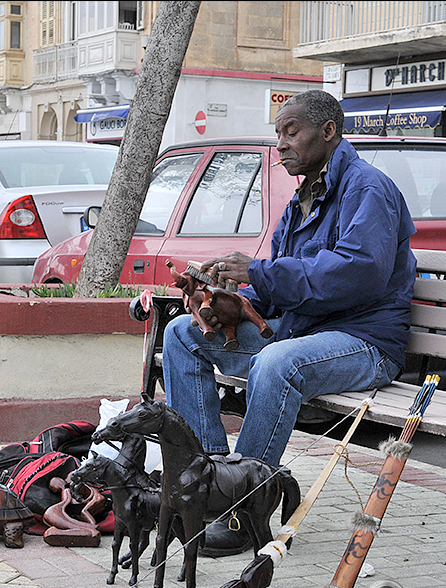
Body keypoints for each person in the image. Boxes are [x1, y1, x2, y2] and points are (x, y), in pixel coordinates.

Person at [161, 89, 417, 557]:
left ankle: (242, 507)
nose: (280, 143)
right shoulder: (304, 197)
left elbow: (358, 273)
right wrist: (234, 303)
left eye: (291, 131)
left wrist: (259, 273)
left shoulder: (367, 189)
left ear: (328, 131)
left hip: (365, 342)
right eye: (278, 133)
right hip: (306, 333)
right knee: (183, 334)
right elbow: (280, 282)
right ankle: (211, 480)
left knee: (277, 363)